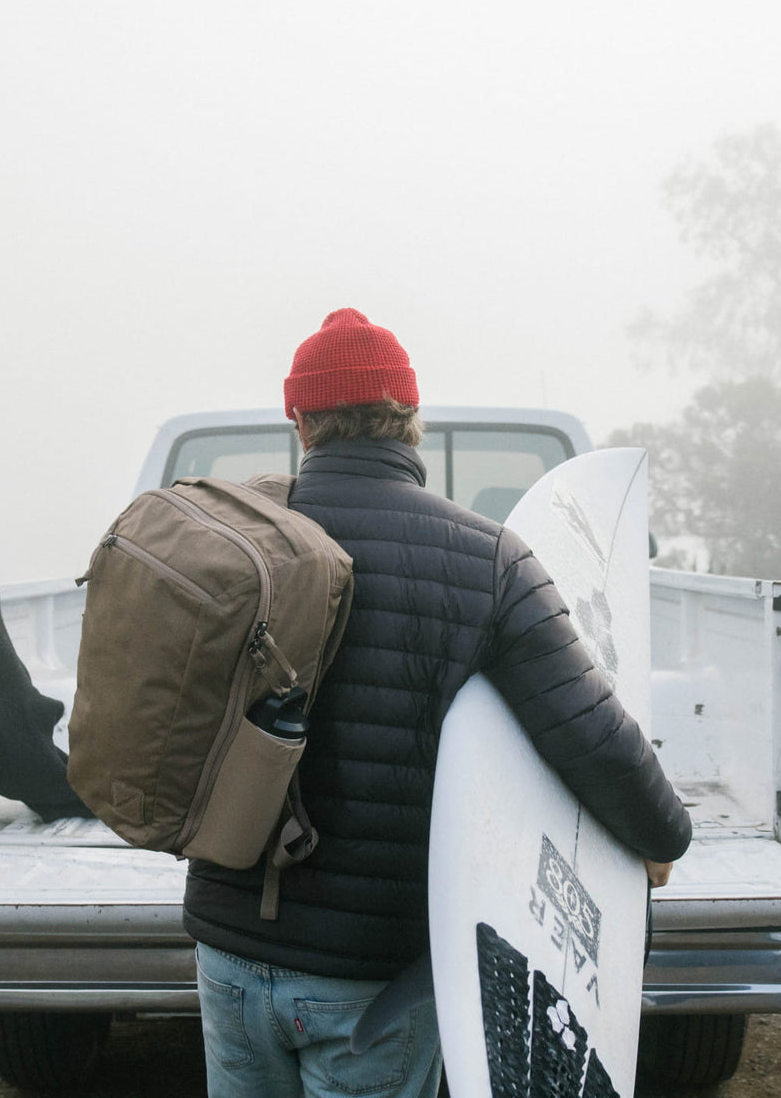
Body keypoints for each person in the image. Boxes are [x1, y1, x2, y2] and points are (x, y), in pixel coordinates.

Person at [183, 308, 692, 1098]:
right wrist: (663, 834)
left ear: (300, 422)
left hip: (228, 950)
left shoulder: (235, 546)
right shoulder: (487, 558)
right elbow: (591, 733)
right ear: (412, 420)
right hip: (373, 974)